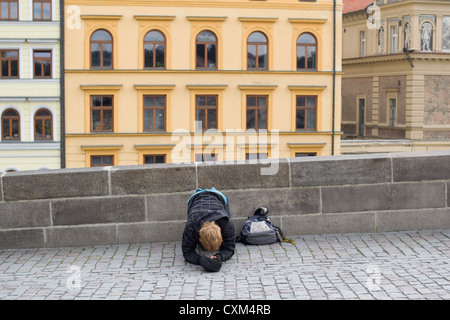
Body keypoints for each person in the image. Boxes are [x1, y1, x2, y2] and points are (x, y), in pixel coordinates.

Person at [182, 188, 235, 272]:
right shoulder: (191, 227)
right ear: (199, 238)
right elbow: (187, 252)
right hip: (195, 198)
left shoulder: (226, 223)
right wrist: (201, 260)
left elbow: (230, 248)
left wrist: (219, 257)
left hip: (219, 196)